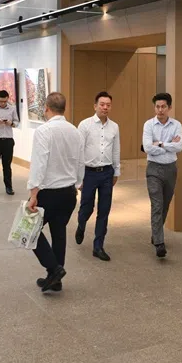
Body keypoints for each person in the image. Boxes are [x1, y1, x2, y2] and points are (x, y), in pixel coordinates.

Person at [27, 93, 84, 292]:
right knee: (59, 233)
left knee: (29, 230)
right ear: (64, 109)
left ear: (46, 108)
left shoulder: (44, 131)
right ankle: (55, 279)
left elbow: (39, 163)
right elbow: (80, 161)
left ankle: (54, 268)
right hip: (68, 193)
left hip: (48, 193)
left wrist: (33, 192)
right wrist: (78, 183)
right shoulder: (75, 131)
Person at [75, 91, 121, 262]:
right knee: (87, 207)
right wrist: (78, 177)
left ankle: (98, 246)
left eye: (108, 105)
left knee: (104, 210)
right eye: (102, 104)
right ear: (95, 106)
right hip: (89, 173)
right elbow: (78, 151)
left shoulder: (114, 127)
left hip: (107, 173)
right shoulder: (85, 125)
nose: (105, 107)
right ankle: (81, 224)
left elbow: (116, 150)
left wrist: (117, 171)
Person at [142, 92, 182, 258]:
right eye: (157, 107)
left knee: (165, 204)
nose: (160, 110)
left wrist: (159, 143)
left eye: (163, 107)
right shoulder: (149, 125)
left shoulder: (176, 125)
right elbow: (147, 147)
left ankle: (155, 232)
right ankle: (159, 242)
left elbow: (179, 147)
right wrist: (168, 145)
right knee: (157, 204)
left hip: (171, 168)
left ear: (169, 108)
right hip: (153, 169)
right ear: (155, 107)